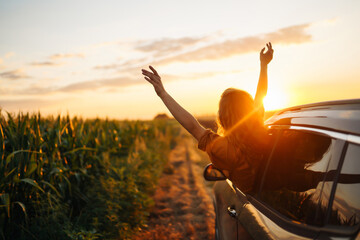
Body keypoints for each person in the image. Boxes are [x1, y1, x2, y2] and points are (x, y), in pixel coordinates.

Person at [142, 42, 274, 193]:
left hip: (253, 207)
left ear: (223, 117)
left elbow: (192, 126)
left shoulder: (225, 148)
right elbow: (261, 96)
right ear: (249, 110)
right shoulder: (261, 133)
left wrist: (163, 94)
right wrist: (264, 65)